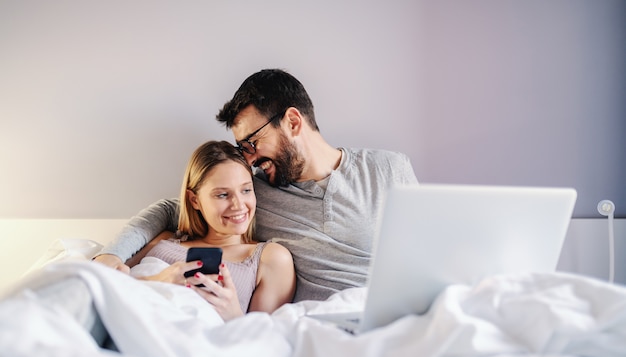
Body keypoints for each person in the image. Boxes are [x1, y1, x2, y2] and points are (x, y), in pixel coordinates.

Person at [94, 69, 418, 302]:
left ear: (292, 122)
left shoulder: (389, 168)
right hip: (319, 326)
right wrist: (111, 254)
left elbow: (426, 253)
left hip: (393, 314)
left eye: (252, 142)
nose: (248, 158)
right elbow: (169, 209)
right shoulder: (250, 195)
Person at [128, 140, 295, 321]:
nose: (239, 205)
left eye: (246, 190)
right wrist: (158, 282)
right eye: (223, 195)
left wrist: (233, 315)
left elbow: (265, 341)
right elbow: (107, 281)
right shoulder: (165, 239)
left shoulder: (271, 258)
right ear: (195, 200)